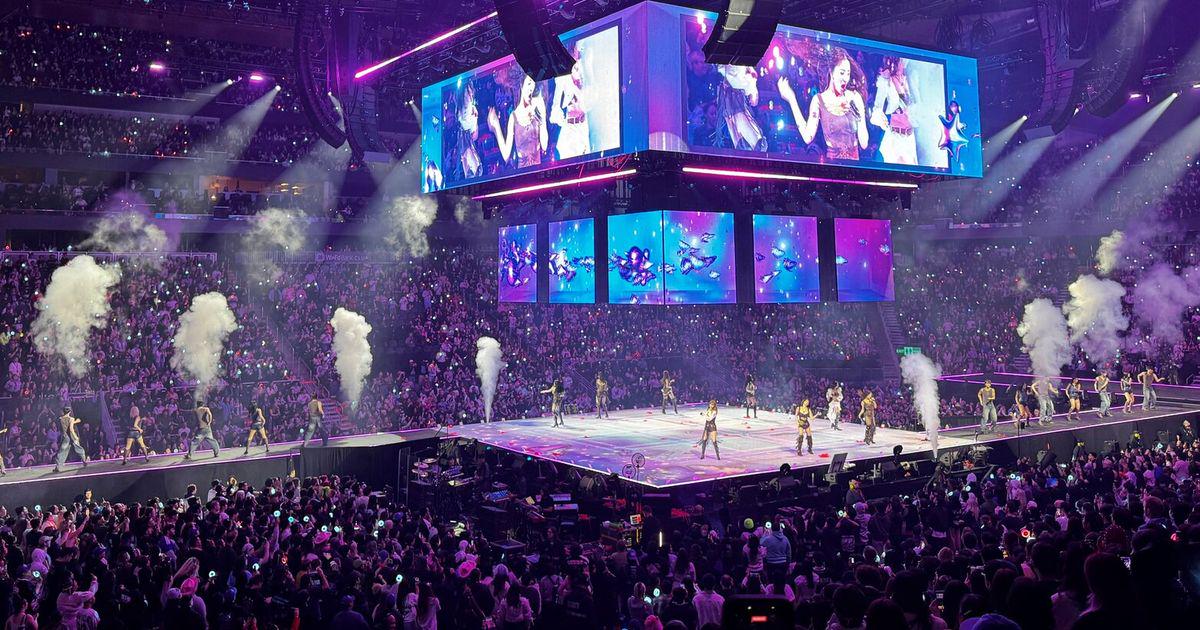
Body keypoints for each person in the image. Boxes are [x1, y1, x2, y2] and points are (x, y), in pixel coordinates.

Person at [777, 47, 869, 160]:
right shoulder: (819, 100)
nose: (845, 78)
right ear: (831, 72)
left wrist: (860, 114)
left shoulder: (854, 97)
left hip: (854, 164)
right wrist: (792, 99)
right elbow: (807, 137)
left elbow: (864, 143)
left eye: (848, 74)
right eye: (842, 73)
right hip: (833, 164)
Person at [488, 74, 548, 169]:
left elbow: (544, 145)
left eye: (533, 85)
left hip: (538, 170)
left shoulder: (536, 111)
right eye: (529, 83)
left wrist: (543, 115)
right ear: (521, 85)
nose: (531, 88)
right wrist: (496, 127)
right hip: (523, 173)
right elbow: (506, 155)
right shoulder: (513, 117)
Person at [870, 57, 919, 165]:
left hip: (910, 137)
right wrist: (882, 121)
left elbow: (918, 105)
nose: (901, 62)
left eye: (903, 60)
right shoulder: (886, 80)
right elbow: (877, 109)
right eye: (898, 60)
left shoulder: (909, 79)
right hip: (895, 138)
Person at [550, 46, 591, 160]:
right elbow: (555, 108)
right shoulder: (563, 79)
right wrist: (560, 118)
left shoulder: (583, 70)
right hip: (570, 131)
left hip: (583, 125)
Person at [54, 405, 88, 473]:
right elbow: (71, 429)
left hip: (65, 436)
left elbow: (67, 425)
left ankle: (58, 466)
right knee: (79, 448)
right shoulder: (71, 419)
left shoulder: (60, 419)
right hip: (71, 436)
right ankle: (84, 461)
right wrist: (75, 437)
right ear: (69, 412)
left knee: (62, 451)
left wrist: (75, 422)